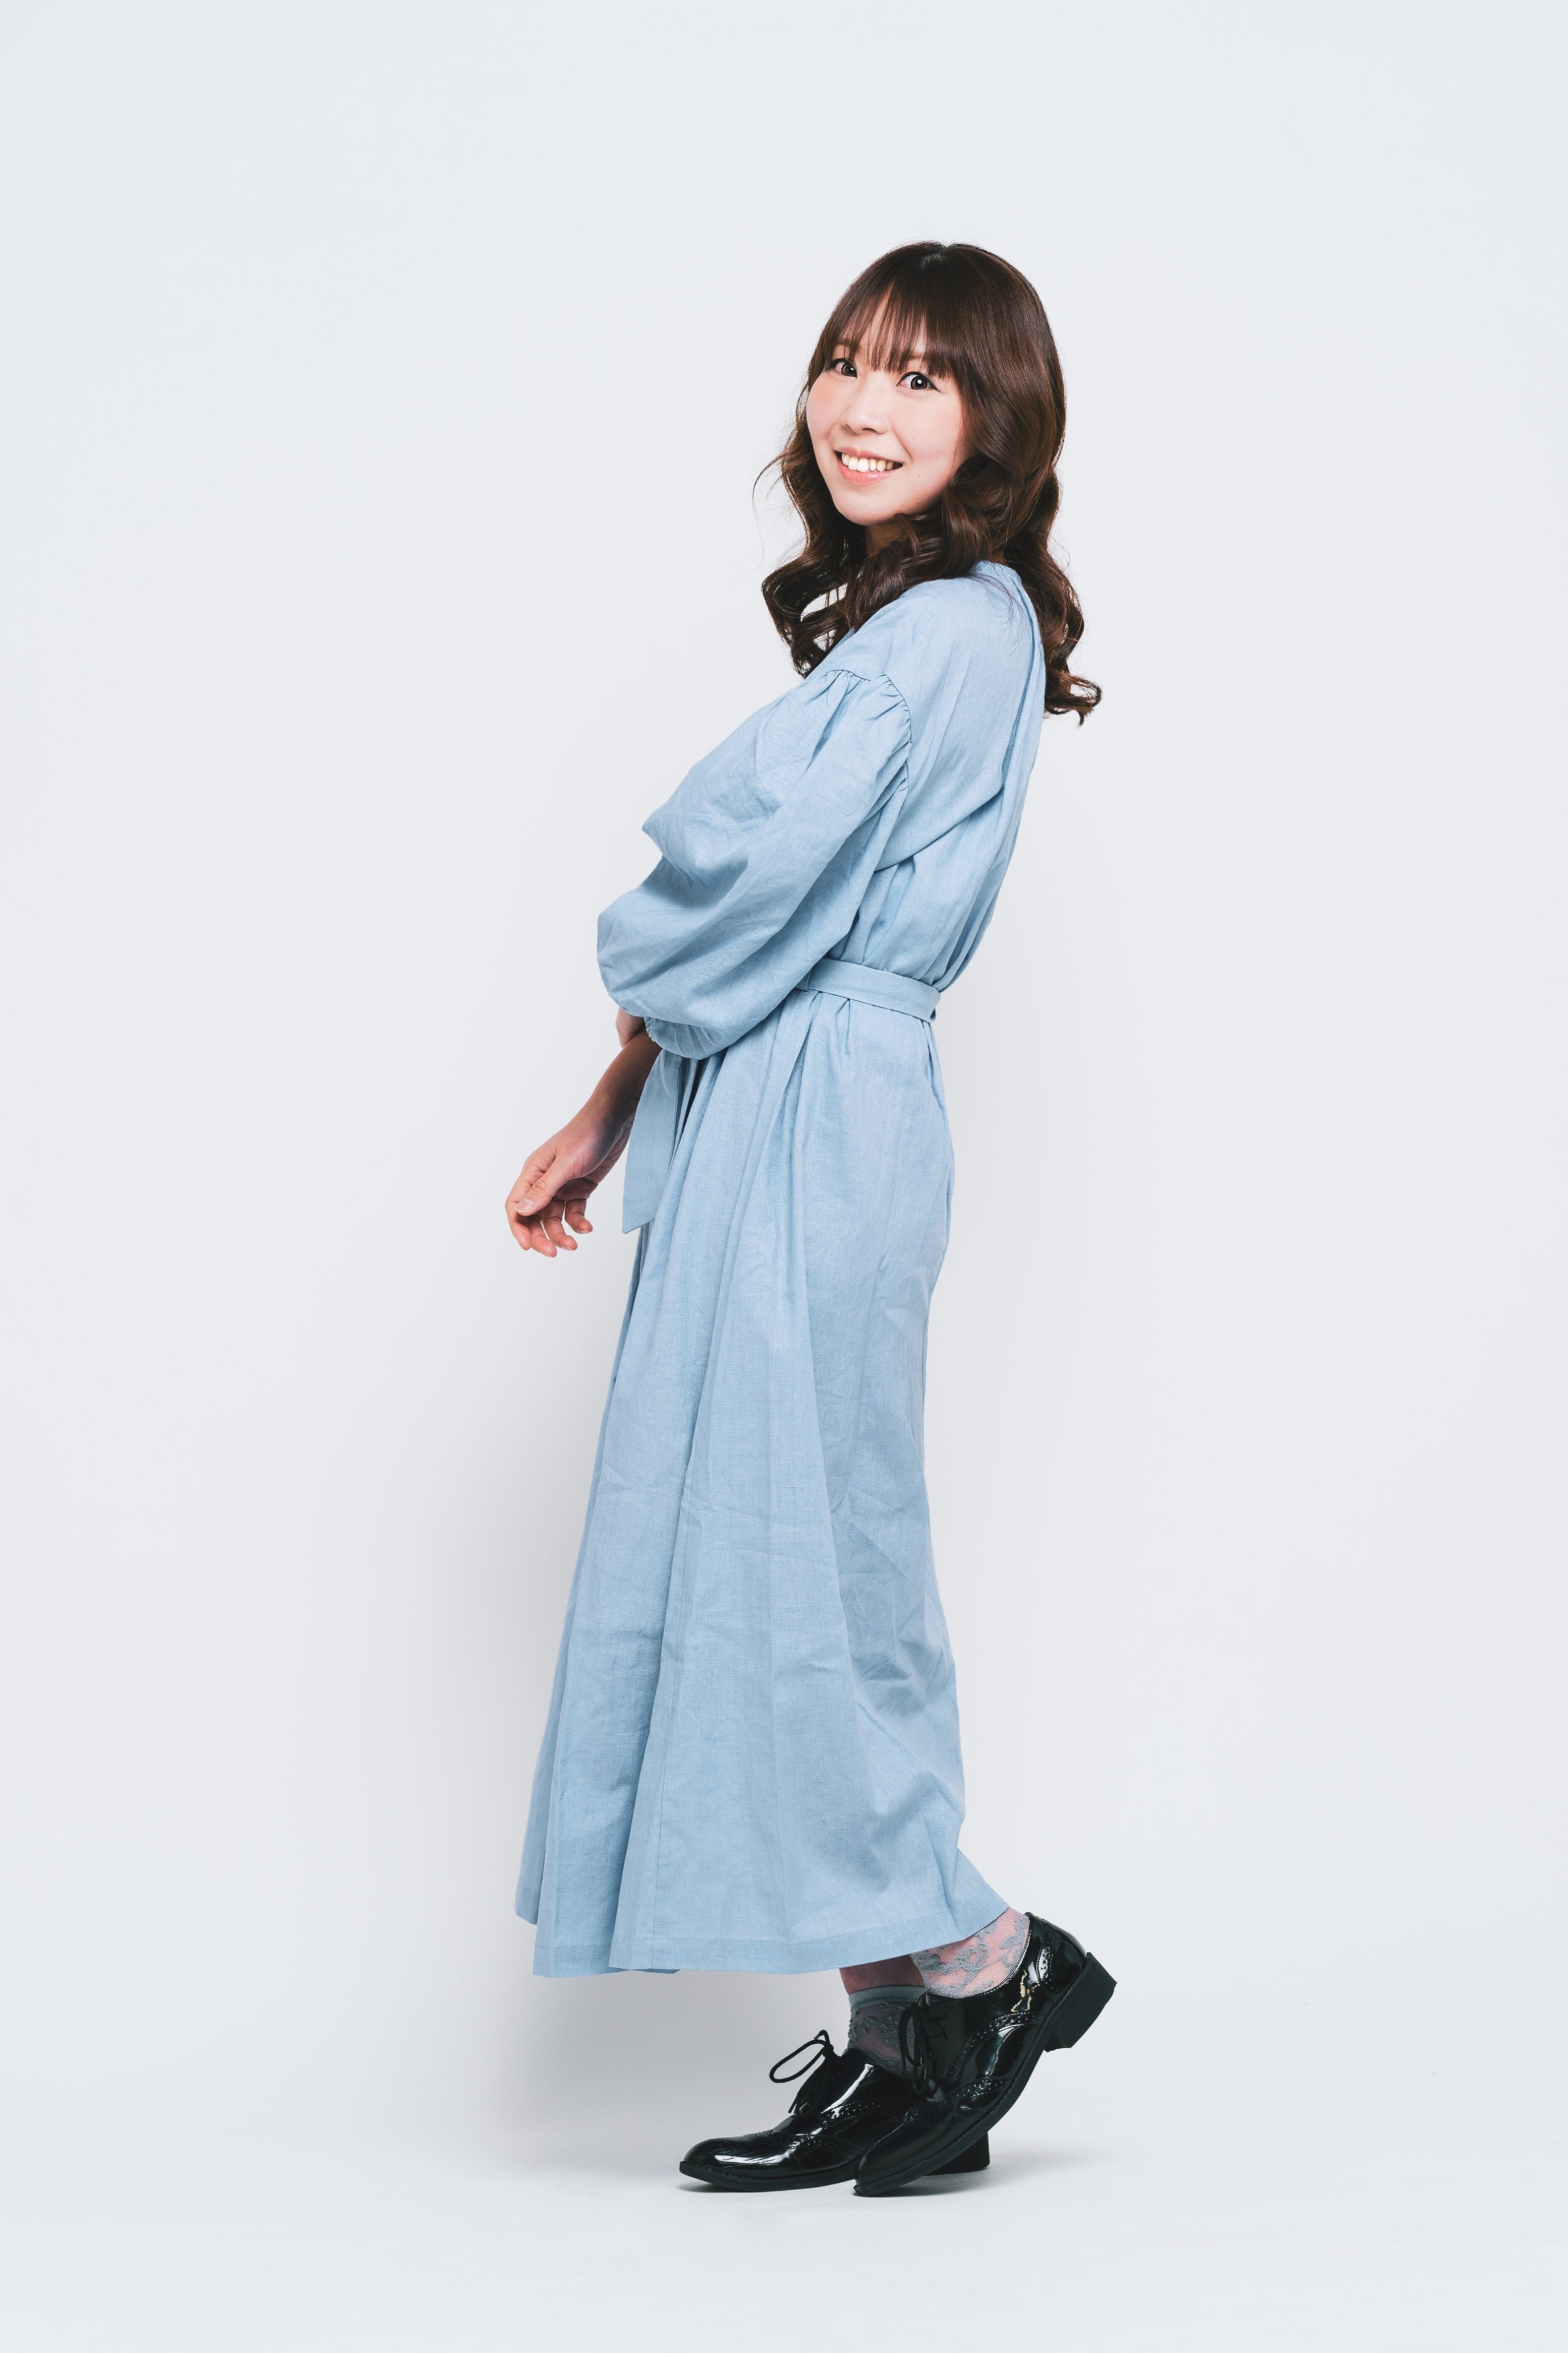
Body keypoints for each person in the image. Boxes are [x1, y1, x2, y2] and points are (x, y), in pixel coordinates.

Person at [505, 241, 1114, 2195]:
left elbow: (740, 887)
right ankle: (900, 2033)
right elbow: (763, 926)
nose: (861, 406)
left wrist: (630, 1043)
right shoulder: (912, 624)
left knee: (805, 1564)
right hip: (764, 1097)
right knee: (764, 1554)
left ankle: (983, 1958)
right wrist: (611, 1107)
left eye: (921, 377)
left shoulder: (947, 632)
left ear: (997, 417)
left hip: (817, 1115)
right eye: (845, 362)